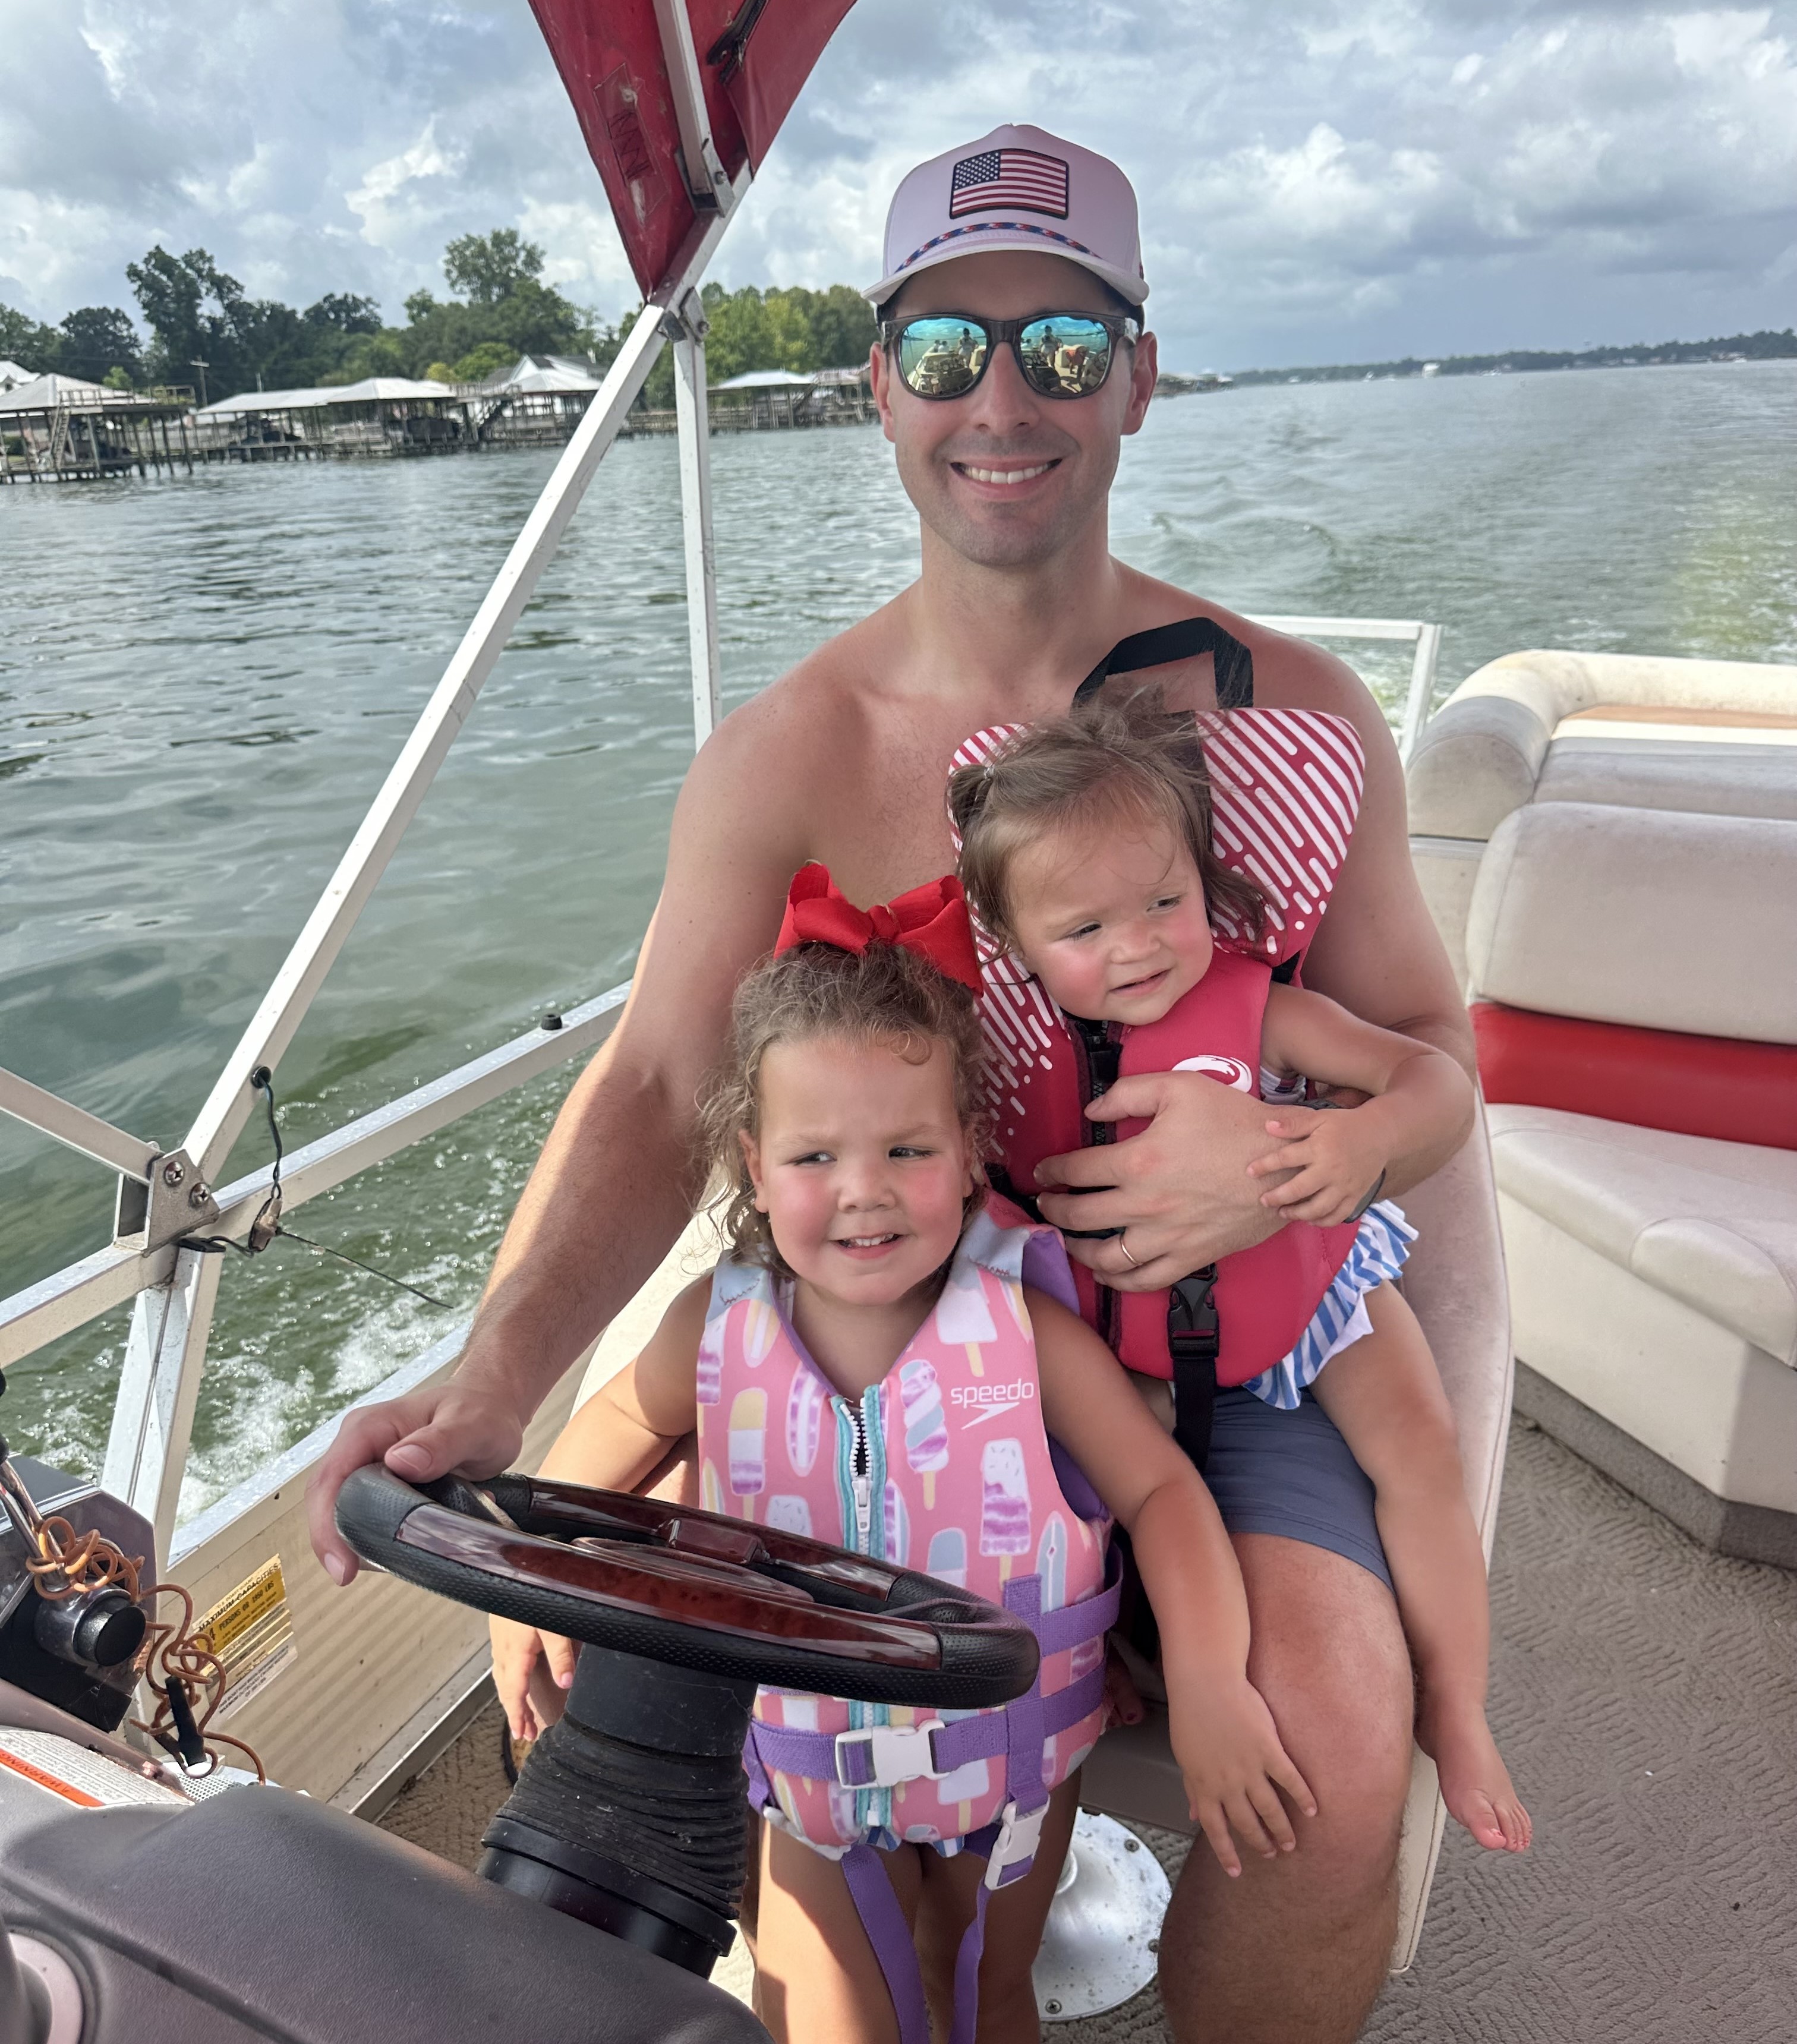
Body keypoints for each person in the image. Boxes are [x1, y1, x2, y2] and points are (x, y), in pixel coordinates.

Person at [310, 121, 1476, 2042]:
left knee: (1346, 1752)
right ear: (878, 385)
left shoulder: (1291, 719)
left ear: (1139, 377)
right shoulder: (788, 751)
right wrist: (494, 1394)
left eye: (1060, 348)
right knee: (810, 1824)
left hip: (1216, 1366)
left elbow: (1429, 1055)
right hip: (907, 1374)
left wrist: (1284, 1168)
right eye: (945, 350)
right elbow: (659, 1081)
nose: (998, 399)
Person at [492, 882, 1316, 2042]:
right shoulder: (714, 1333)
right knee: (823, 2020)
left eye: (906, 1148)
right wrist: (539, 1581)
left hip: (1014, 1776)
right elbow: (609, 1440)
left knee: (978, 1995)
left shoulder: (1028, 1335)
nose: (864, 1188)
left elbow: (1162, 1491)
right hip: (807, 1777)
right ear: (754, 1161)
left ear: (972, 1150)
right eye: (815, 1153)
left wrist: (1214, 1684)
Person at [948, 689, 1529, 1854]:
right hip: (1129, 1350)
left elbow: (1427, 1080)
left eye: (1168, 901)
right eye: (1086, 930)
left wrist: (1360, 1143)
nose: (1142, 944)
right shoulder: (999, 1059)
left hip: (1315, 1296)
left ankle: (1456, 1703)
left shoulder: (1262, 1008)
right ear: (1011, 948)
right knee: (1069, 1493)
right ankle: (1109, 1665)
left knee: (1420, 1447)